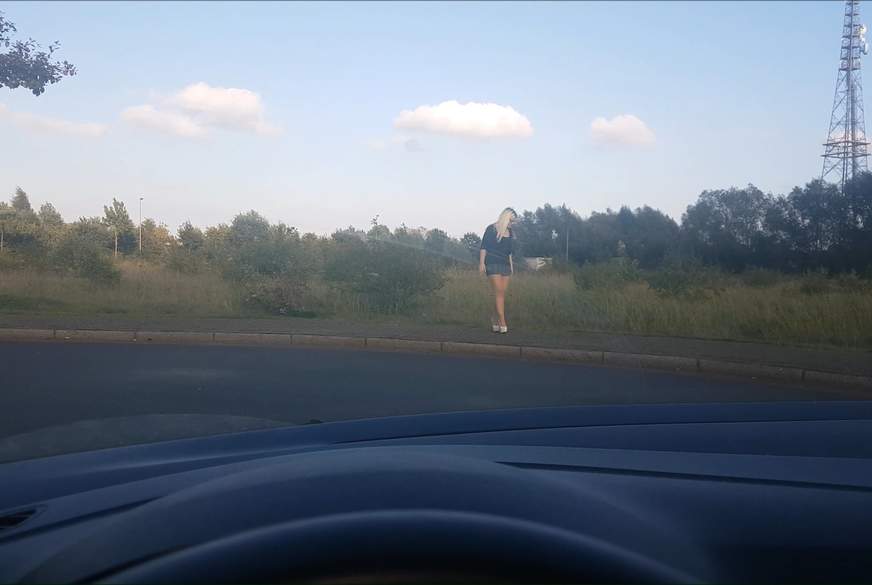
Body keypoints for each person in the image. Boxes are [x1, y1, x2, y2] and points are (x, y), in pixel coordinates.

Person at [479, 207, 518, 334]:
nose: (512, 224)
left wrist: (511, 266)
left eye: (514, 222)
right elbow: (484, 247)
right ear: (505, 218)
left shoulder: (510, 232)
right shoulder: (491, 229)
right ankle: (502, 320)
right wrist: (481, 263)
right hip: (492, 263)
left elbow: (509, 252)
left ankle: (494, 318)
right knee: (499, 291)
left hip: (505, 265)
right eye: (511, 221)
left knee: (501, 293)